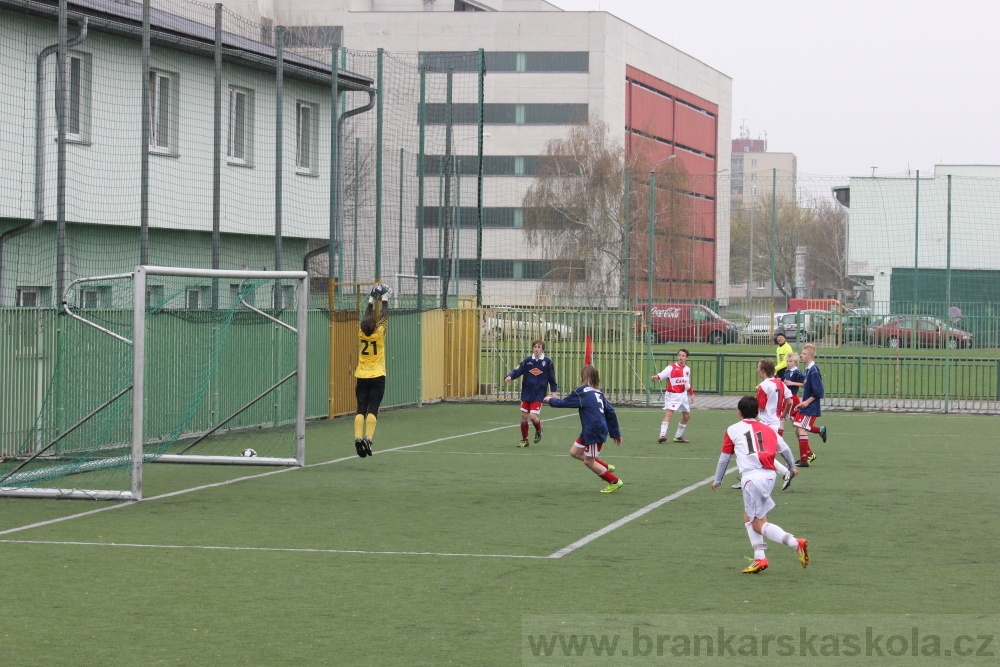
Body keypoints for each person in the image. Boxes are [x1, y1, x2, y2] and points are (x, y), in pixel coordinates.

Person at [712, 396, 809, 574]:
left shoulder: (733, 429)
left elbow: (725, 458)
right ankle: (760, 557)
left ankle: (796, 543)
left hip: (752, 479)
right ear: (757, 412)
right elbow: (785, 450)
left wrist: (718, 480)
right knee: (751, 518)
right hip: (769, 477)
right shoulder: (768, 429)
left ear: (739, 412)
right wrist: (790, 467)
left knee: (756, 523)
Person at [544, 364, 624, 493]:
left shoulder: (581, 391)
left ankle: (614, 481)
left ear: (583, 376)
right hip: (590, 429)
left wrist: (550, 400)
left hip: (594, 430)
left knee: (588, 461)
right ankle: (605, 467)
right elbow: (611, 412)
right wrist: (616, 433)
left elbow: (564, 403)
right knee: (575, 452)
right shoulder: (598, 392)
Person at [353, 283, 391, 458]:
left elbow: (367, 318)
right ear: (375, 328)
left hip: (362, 376)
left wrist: (370, 299)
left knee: (361, 408)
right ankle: (368, 438)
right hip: (377, 375)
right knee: (373, 408)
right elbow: (384, 316)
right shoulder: (380, 334)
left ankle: (357, 438)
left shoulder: (361, 334)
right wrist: (384, 299)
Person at [505, 339, 558, 447]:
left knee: (533, 416)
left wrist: (553, 392)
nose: (536, 349)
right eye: (535, 346)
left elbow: (552, 378)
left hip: (539, 393)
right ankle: (525, 440)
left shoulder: (547, 362)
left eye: (539, 347)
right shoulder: (528, 361)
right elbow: (518, 370)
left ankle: (538, 429)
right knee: (524, 416)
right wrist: (510, 376)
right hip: (527, 392)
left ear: (543, 349)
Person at [793, 343, 827, 467]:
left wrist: (806, 402)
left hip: (810, 407)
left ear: (811, 356)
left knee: (801, 428)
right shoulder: (808, 370)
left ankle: (804, 460)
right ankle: (809, 454)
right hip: (805, 406)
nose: (802, 356)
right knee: (796, 428)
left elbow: (819, 392)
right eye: (802, 353)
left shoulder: (813, 371)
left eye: (804, 354)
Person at [651, 349, 694, 443]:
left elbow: (687, 382)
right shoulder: (671, 367)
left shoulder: (687, 369)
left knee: (687, 416)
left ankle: (678, 436)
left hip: (683, 395)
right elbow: (662, 374)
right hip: (673, 395)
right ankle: (662, 435)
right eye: (679, 355)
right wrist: (656, 377)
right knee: (669, 413)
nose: (681, 357)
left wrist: (692, 393)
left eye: (683, 356)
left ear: (686, 358)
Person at [781, 352, 813, 463]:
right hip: (787, 398)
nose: (788, 363)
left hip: (793, 399)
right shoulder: (786, 371)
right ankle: (809, 452)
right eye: (787, 361)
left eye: (790, 361)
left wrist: (791, 383)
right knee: (796, 427)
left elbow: (804, 384)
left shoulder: (798, 372)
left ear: (795, 363)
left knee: (785, 421)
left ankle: (777, 445)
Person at [756, 358, 791, 437]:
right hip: (777, 423)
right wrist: (784, 413)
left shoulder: (763, 386)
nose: (757, 370)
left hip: (766, 423)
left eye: (758, 367)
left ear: (763, 370)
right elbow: (790, 402)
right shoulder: (780, 383)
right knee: (781, 449)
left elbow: (761, 408)